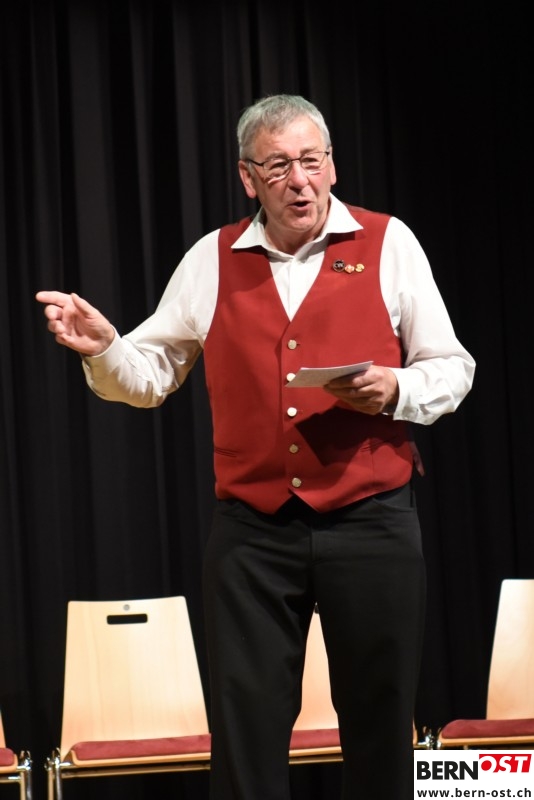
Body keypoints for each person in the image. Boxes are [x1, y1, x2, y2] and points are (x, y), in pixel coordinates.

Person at [36, 93, 475, 800]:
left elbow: (452, 367)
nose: (299, 181)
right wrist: (105, 347)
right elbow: (149, 377)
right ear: (248, 177)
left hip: (372, 519)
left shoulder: (389, 242)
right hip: (252, 533)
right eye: (277, 167)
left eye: (311, 161)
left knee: (380, 719)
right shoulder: (211, 260)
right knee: (246, 730)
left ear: (332, 165)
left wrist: (395, 389)